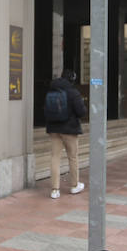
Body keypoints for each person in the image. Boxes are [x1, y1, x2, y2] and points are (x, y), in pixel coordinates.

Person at [44, 68, 88, 199]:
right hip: (70, 129)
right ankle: (74, 185)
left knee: (55, 157)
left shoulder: (52, 90)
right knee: (72, 157)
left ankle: (54, 190)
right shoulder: (73, 93)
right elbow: (81, 112)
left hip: (53, 128)